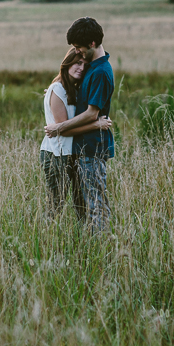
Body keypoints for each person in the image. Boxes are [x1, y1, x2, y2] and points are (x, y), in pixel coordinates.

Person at [45, 17, 114, 231]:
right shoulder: (92, 68)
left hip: (92, 149)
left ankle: (102, 248)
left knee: (96, 206)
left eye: (79, 48)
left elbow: (92, 114)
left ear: (92, 44)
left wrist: (59, 127)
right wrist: (55, 92)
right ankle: (89, 247)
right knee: (84, 206)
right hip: (81, 149)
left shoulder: (101, 72)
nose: (78, 53)